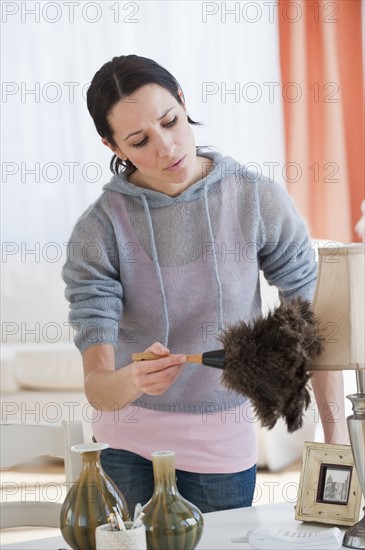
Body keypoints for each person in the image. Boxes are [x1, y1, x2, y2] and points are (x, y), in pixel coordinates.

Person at [62, 54, 348, 515]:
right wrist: (132, 379)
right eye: (139, 140)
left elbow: (312, 322)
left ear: (182, 99)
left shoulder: (255, 199)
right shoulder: (100, 230)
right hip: (125, 444)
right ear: (112, 147)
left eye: (171, 121)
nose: (167, 147)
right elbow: (97, 386)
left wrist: (338, 445)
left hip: (222, 444)